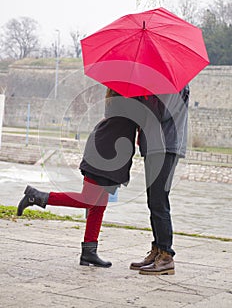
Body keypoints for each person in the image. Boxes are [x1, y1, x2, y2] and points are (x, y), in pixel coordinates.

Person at [17, 89, 138, 268]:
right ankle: (36, 196)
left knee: (98, 205)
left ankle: (89, 253)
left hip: (109, 153)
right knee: (89, 199)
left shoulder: (122, 96)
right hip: (103, 153)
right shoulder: (126, 98)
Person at [130, 85, 190, 275]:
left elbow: (162, 113)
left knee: (159, 200)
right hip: (154, 146)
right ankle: (157, 249)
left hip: (166, 145)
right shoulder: (156, 84)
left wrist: (141, 100)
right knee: (153, 200)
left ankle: (166, 256)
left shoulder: (175, 84)